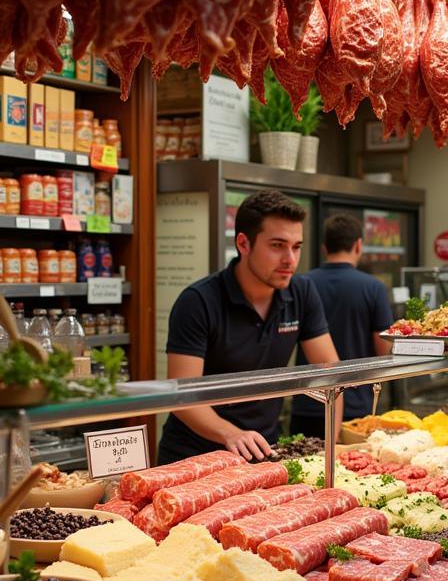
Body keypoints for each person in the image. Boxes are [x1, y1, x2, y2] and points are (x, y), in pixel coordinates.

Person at [158, 190, 340, 463]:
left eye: (297, 246)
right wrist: (231, 434)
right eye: (277, 245)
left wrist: (329, 451)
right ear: (243, 244)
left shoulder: (302, 293)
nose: (290, 259)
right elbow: (184, 396)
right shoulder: (198, 301)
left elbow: (331, 374)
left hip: (264, 450)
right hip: (195, 456)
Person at [290, 214, 393, 439]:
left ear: (325, 247)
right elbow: (383, 349)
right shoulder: (373, 287)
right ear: (358, 245)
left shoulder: (302, 285)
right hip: (356, 407)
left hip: (307, 402)